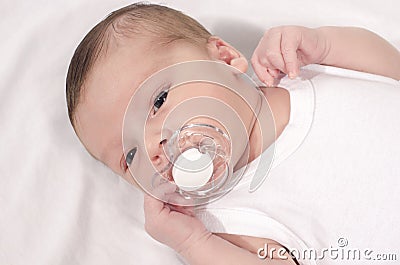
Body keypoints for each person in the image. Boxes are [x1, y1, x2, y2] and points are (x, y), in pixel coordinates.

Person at [66, 3, 400, 265]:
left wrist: (323, 45)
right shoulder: (229, 223)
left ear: (225, 57)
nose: (154, 144)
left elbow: (390, 70)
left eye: (158, 100)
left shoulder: (302, 73)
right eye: (130, 155)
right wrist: (194, 244)